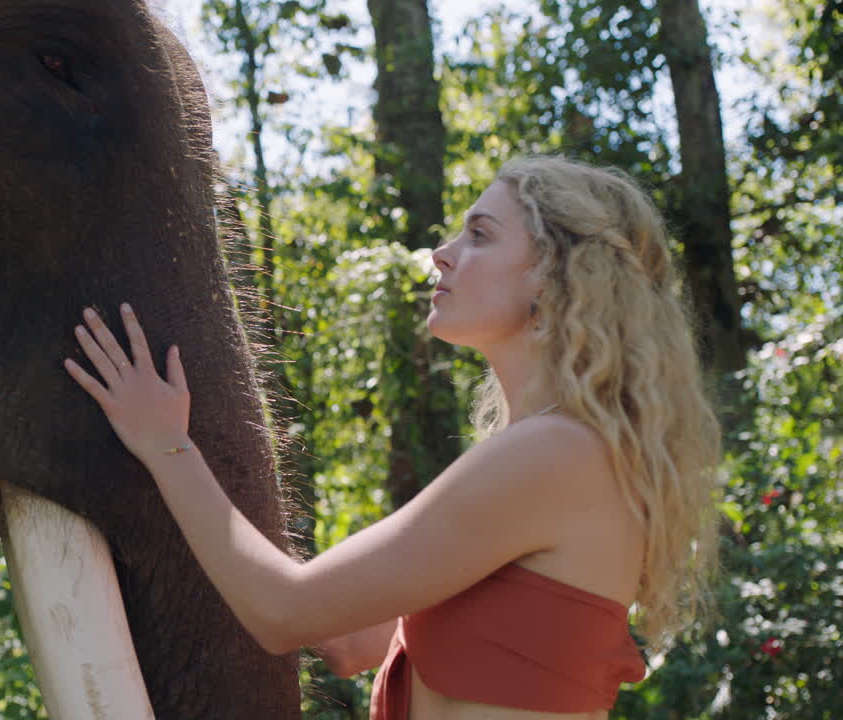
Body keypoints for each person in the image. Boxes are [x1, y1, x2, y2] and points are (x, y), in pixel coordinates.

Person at [62, 155, 720, 719]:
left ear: (554, 276)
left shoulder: (558, 454)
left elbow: (286, 611)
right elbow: (349, 640)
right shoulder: (561, 454)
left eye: (481, 235)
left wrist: (166, 445)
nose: (443, 254)